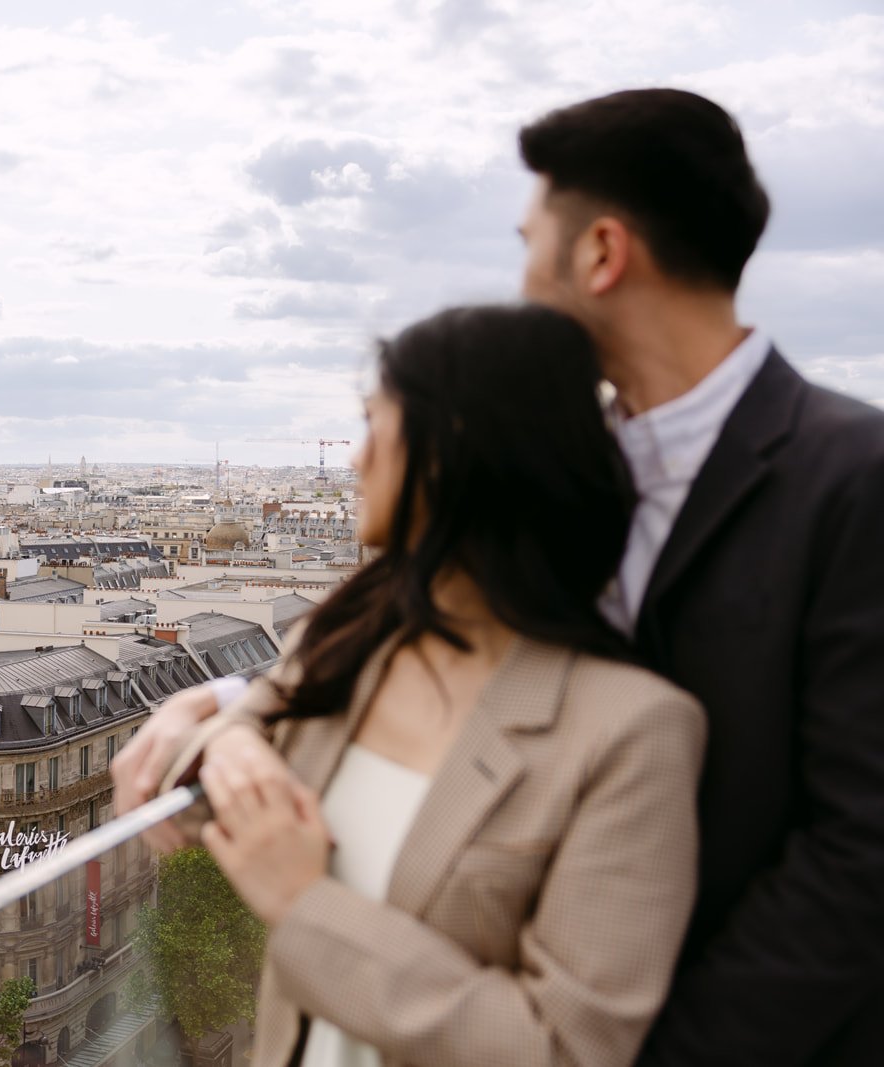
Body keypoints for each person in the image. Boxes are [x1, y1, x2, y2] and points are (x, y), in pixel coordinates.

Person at [117, 88, 884, 1065]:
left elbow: (861, 855)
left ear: (600, 253)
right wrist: (231, 701)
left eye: (531, 243)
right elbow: (438, 638)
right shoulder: (545, 475)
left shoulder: (854, 478)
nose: (522, 281)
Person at [156, 302, 707, 1067]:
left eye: (374, 424)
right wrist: (225, 729)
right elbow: (201, 812)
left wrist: (306, 906)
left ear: (451, 454)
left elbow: (567, 1047)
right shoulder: (345, 641)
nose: (353, 459)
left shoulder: (632, 733)